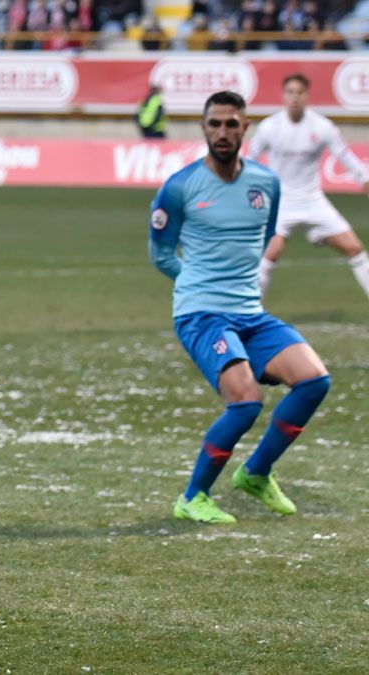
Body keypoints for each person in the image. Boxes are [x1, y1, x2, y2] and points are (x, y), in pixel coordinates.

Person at [149, 90, 331, 525]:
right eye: (215, 124)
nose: (223, 132)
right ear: (204, 127)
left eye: (232, 124)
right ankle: (192, 497)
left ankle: (256, 473)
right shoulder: (179, 187)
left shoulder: (266, 183)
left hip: (250, 311)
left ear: (245, 128)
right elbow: (161, 254)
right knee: (246, 402)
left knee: (314, 381)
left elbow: (264, 235)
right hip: (200, 314)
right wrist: (197, 284)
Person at [246, 73, 369, 302]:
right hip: (281, 201)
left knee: (354, 248)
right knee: (270, 253)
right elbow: (250, 160)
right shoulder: (269, 127)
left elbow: (344, 155)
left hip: (313, 199)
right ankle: (249, 313)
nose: (294, 97)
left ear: (307, 96)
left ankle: (317, 233)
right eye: (290, 92)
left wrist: (363, 178)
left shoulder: (322, 127)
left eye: (299, 93)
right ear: (283, 96)